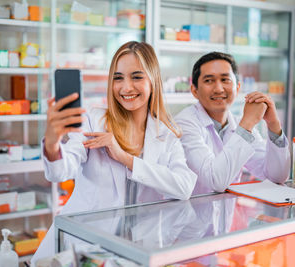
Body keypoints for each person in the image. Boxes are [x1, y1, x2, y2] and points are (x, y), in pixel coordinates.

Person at [31, 41, 197, 264]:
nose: (126, 87)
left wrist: (125, 158)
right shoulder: (94, 120)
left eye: (137, 77)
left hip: (131, 252)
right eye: (118, 78)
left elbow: (184, 187)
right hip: (81, 244)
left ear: (153, 80)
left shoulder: (165, 136)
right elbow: (61, 171)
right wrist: (52, 143)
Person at [175, 52, 290, 194]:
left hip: (225, 215)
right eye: (209, 81)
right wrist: (247, 124)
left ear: (238, 87)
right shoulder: (184, 124)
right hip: (188, 215)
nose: (218, 88)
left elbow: (276, 177)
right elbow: (215, 181)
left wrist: (273, 124)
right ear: (194, 90)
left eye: (225, 79)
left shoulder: (238, 124)